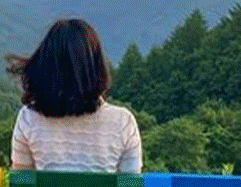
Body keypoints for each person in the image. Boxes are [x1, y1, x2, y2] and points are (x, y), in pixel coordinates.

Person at [8, 19, 141, 173]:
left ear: (45, 66)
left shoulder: (28, 119)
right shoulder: (123, 123)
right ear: (96, 66)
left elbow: (22, 186)